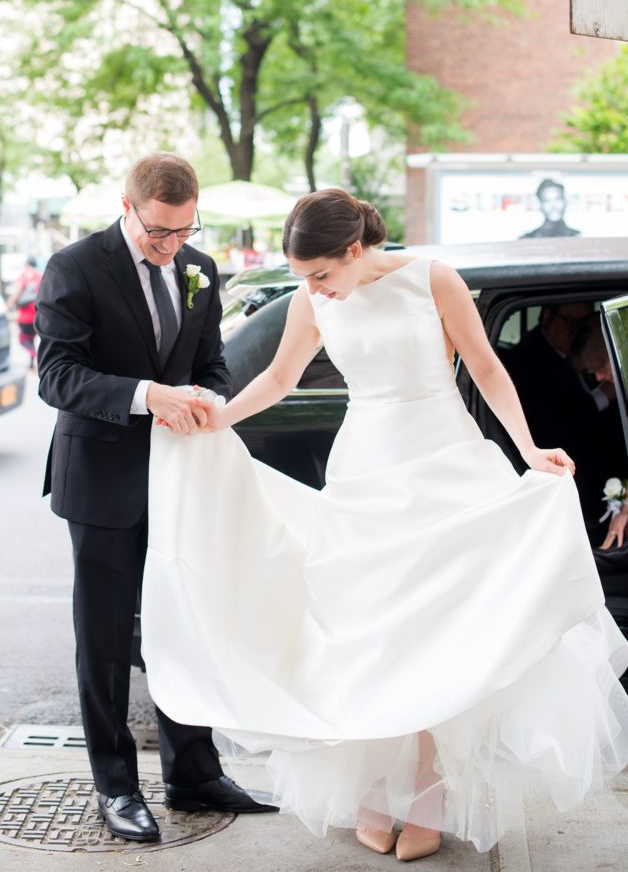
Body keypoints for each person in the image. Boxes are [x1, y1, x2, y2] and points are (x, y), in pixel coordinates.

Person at [141, 188, 628, 860]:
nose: (312, 289)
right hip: (364, 480)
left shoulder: (433, 279)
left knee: (437, 641)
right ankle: (373, 797)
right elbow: (280, 378)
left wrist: (525, 448)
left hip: (444, 470)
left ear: (353, 249)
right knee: (367, 642)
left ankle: (426, 802)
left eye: (319, 274)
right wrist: (213, 420)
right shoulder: (314, 299)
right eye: (302, 278)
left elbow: (484, 366)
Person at [35, 153, 273, 845]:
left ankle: (194, 775)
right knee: (106, 641)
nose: (169, 246)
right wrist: (146, 397)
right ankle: (116, 787)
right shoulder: (74, 268)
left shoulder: (200, 267)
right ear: (127, 205)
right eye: (157, 233)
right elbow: (57, 376)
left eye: (181, 231)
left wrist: (208, 399)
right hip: (102, 481)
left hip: (182, 480)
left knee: (182, 624)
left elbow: (212, 364)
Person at [504, 302, 620, 536]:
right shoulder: (528, 360)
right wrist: (604, 395)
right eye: (570, 322)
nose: (577, 330)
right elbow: (556, 423)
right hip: (563, 476)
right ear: (546, 316)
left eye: (583, 323)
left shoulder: (570, 353)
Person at [7, 257, 43, 369]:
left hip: (25, 316)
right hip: (38, 315)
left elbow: (16, 294)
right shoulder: (40, 276)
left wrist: (7, 305)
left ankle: (37, 357)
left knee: (23, 340)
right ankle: (31, 364)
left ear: (26, 265)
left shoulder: (23, 276)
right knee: (31, 339)